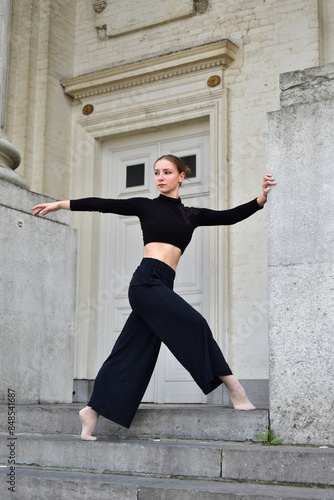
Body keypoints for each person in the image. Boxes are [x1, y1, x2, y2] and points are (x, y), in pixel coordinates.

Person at [32, 154, 275, 441]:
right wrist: (61, 204)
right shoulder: (145, 206)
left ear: (181, 176)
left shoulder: (192, 215)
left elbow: (229, 216)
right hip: (146, 282)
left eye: (167, 172)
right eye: (157, 172)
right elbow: (103, 204)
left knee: (132, 350)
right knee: (195, 324)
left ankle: (92, 411)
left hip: (163, 285)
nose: (160, 177)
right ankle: (236, 390)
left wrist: (261, 198)